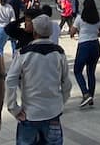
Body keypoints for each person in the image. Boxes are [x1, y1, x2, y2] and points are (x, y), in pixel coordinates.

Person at [5, 14, 72, 145]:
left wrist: (14, 108)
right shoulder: (59, 53)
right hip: (53, 113)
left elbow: (11, 80)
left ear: (34, 32)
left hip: (30, 114)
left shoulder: (24, 53)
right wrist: (60, 102)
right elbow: (67, 84)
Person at [70, 0, 100, 107]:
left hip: (84, 45)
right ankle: (91, 96)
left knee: (77, 70)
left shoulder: (79, 18)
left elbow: (72, 32)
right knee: (91, 72)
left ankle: (85, 93)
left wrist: (75, 33)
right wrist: (94, 32)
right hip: (95, 45)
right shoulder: (98, 19)